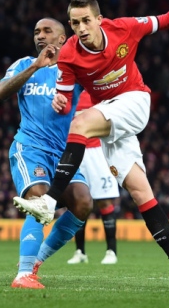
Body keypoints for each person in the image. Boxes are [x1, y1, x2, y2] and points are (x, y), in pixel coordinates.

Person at [14, 0, 169, 291]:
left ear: (98, 18)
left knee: (81, 123)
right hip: (111, 121)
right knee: (140, 192)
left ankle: (49, 201)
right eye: (75, 22)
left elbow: (167, 20)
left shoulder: (124, 28)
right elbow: (66, 98)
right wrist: (60, 99)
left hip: (135, 101)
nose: (81, 28)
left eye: (85, 21)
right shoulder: (69, 54)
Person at [0, 18, 92, 289]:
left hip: (64, 152)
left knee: (83, 203)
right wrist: (37, 65)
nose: (40, 36)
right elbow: (0, 92)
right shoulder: (24, 64)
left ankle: (36, 261)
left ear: (63, 39)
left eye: (47, 31)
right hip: (31, 148)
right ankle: (23, 274)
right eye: (36, 31)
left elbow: (99, 90)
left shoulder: (75, 70)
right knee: (38, 199)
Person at [66, 91, 120, 265]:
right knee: (78, 203)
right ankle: (80, 252)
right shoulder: (67, 92)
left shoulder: (96, 91)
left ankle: (111, 251)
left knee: (104, 201)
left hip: (97, 152)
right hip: (75, 151)